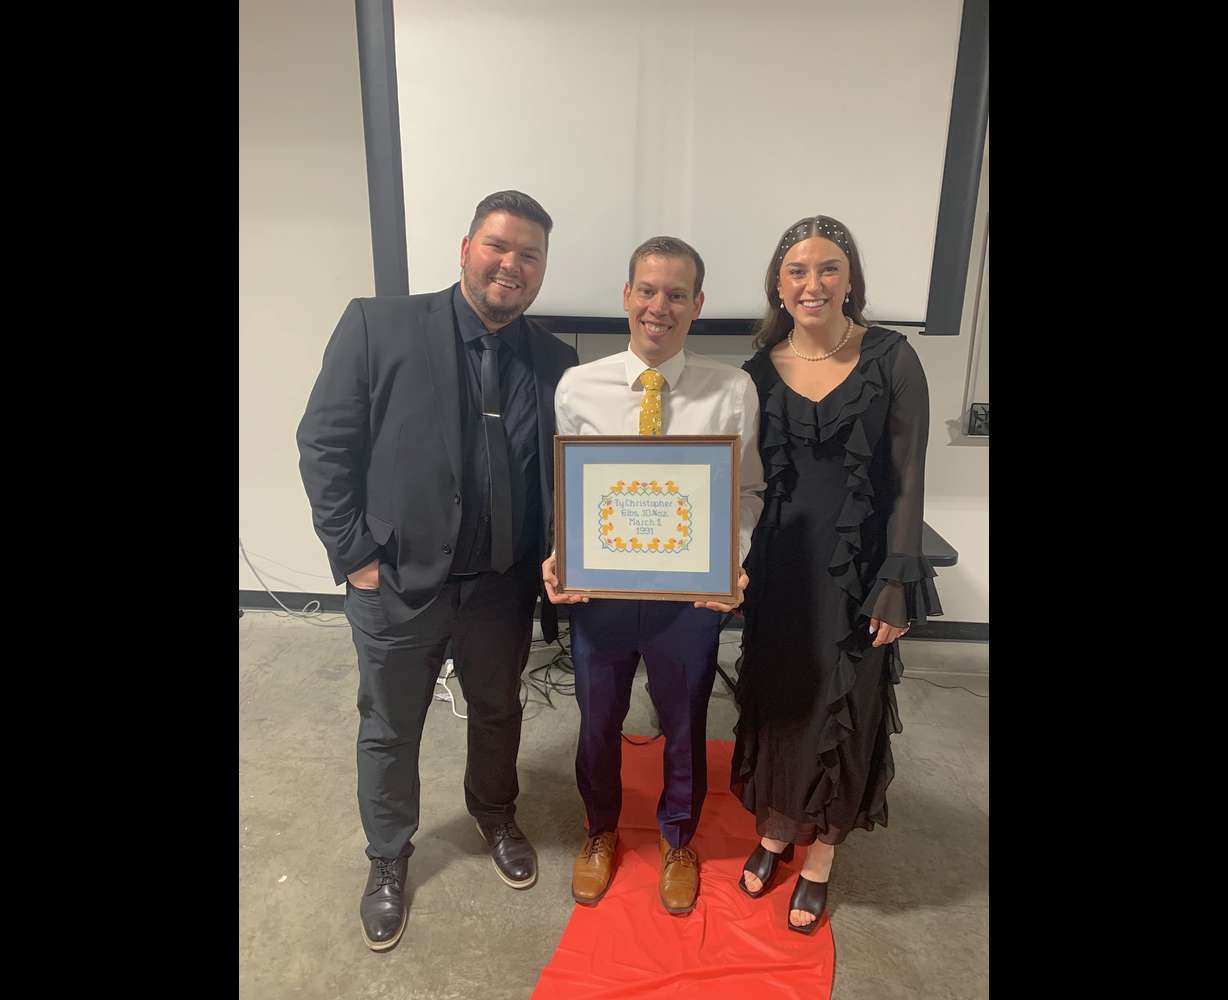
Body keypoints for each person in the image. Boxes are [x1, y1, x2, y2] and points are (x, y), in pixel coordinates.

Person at [297, 190, 578, 951]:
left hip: (501, 586)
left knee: (498, 712)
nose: (511, 264)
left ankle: (494, 814)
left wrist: (564, 552)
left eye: (530, 255)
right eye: (498, 245)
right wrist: (352, 553)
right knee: (389, 729)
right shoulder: (378, 325)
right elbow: (324, 443)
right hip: (395, 582)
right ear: (465, 248)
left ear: (542, 270)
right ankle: (388, 857)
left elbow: (562, 473)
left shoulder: (554, 360)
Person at [730, 215, 943, 934]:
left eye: (828, 267)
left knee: (843, 707)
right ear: (778, 284)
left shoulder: (892, 358)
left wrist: (897, 581)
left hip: (858, 574)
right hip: (780, 570)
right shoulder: (756, 367)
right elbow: (737, 479)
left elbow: (911, 478)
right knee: (783, 698)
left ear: (850, 278)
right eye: (797, 270)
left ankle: (820, 854)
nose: (812, 282)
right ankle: (778, 826)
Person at [543, 236, 766, 916]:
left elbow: (748, 491)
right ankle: (600, 831)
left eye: (675, 293)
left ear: (697, 304)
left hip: (688, 597)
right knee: (597, 722)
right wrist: (561, 553)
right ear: (626, 296)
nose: (658, 306)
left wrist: (732, 564)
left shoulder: (732, 389)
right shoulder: (579, 386)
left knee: (684, 722)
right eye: (647, 290)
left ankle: (678, 838)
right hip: (601, 593)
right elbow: (569, 490)